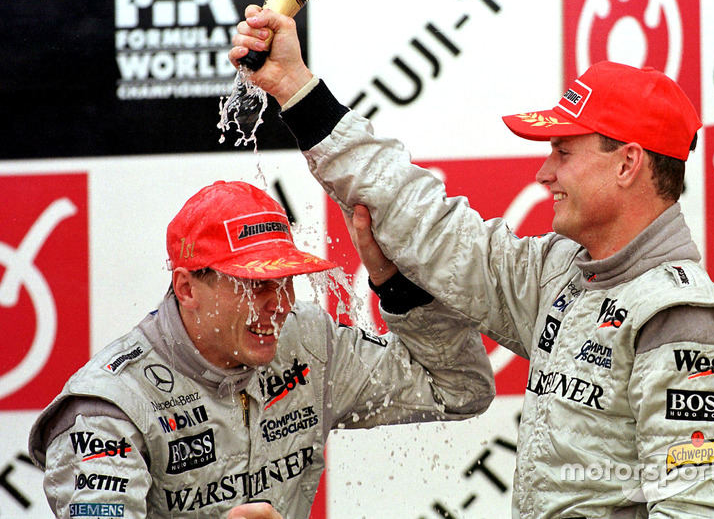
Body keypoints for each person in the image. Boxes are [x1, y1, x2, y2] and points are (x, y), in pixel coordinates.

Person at [228, 6, 714, 518]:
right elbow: (431, 226)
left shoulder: (684, 324)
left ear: (628, 163)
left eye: (563, 152)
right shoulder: (562, 274)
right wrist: (295, 88)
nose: (543, 174)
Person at [28, 180, 495, 519]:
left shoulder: (310, 344)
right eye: (253, 285)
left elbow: (459, 389)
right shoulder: (107, 407)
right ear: (187, 287)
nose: (277, 306)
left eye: (285, 281)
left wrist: (399, 288)